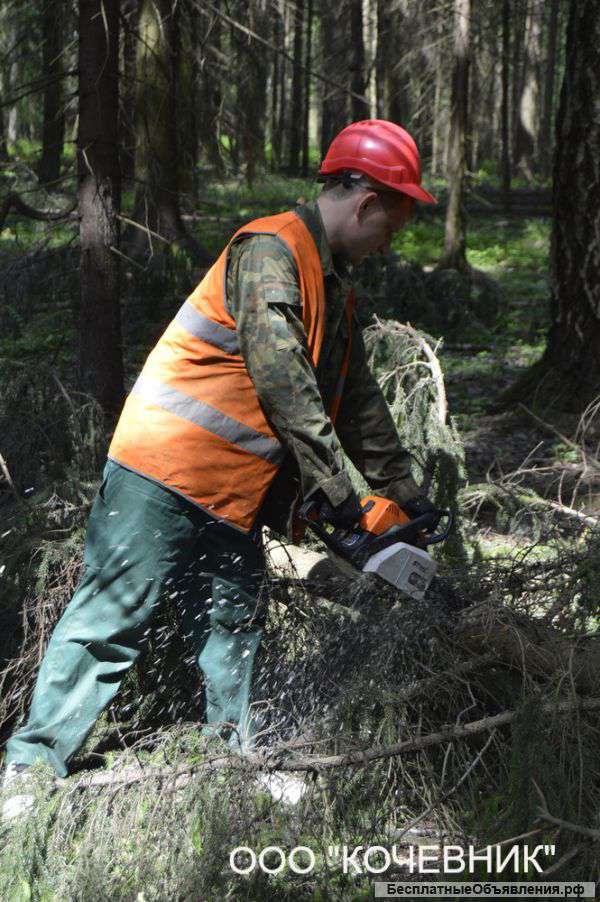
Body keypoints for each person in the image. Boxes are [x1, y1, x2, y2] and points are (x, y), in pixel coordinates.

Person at [2, 119, 440, 813]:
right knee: (109, 617)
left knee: (234, 625)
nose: (394, 239)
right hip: (162, 470)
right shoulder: (270, 250)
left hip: (233, 492)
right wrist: (341, 496)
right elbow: (281, 377)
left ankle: (236, 762)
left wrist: (405, 500)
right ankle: (29, 767)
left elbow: (358, 406)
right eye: (396, 221)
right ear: (366, 203)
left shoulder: (337, 289)